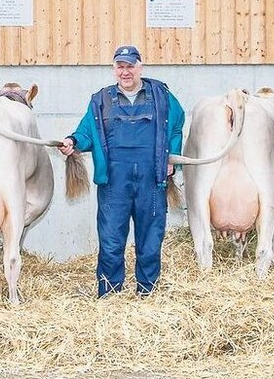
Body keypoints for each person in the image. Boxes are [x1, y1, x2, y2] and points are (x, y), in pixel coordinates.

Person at [59, 45, 185, 296]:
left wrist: (172, 159)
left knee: (150, 241)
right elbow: (87, 132)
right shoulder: (101, 99)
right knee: (111, 241)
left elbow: (177, 127)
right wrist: (73, 142)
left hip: (152, 181)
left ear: (140, 67)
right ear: (114, 69)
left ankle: (147, 293)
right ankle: (110, 295)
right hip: (114, 183)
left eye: (130, 66)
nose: (125, 72)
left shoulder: (162, 95)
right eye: (120, 67)